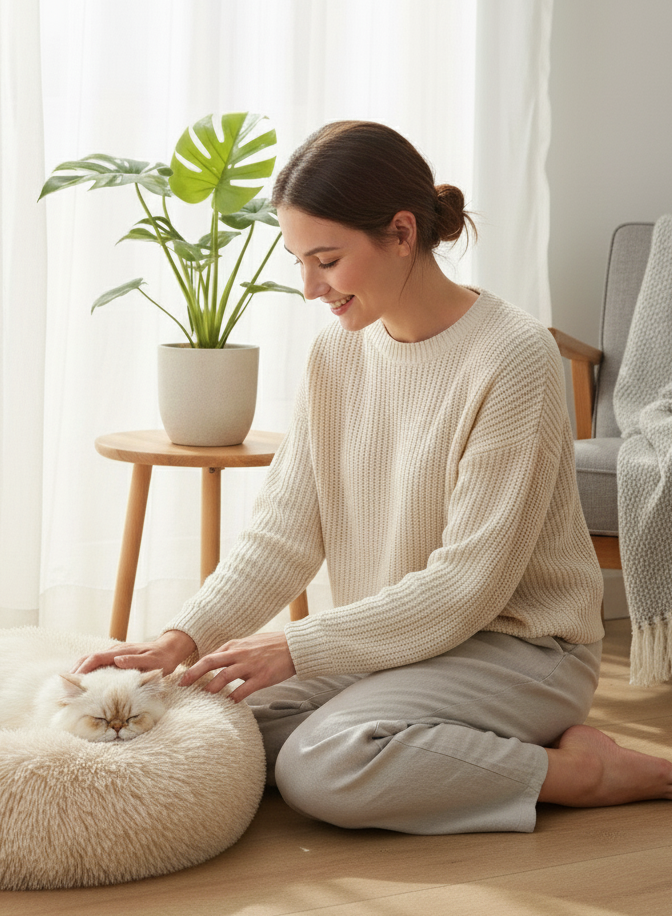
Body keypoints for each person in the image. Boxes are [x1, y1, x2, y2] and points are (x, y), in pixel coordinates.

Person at [75, 120, 672, 834]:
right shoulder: (337, 356)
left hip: (522, 648)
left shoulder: (513, 357)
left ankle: (580, 771)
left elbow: (465, 586)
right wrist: (184, 637)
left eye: (324, 259)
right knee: (208, 719)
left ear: (399, 232)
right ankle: (467, 747)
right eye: (298, 260)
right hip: (398, 645)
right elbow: (282, 535)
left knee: (318, 763)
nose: (308, 287)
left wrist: (294, 646)